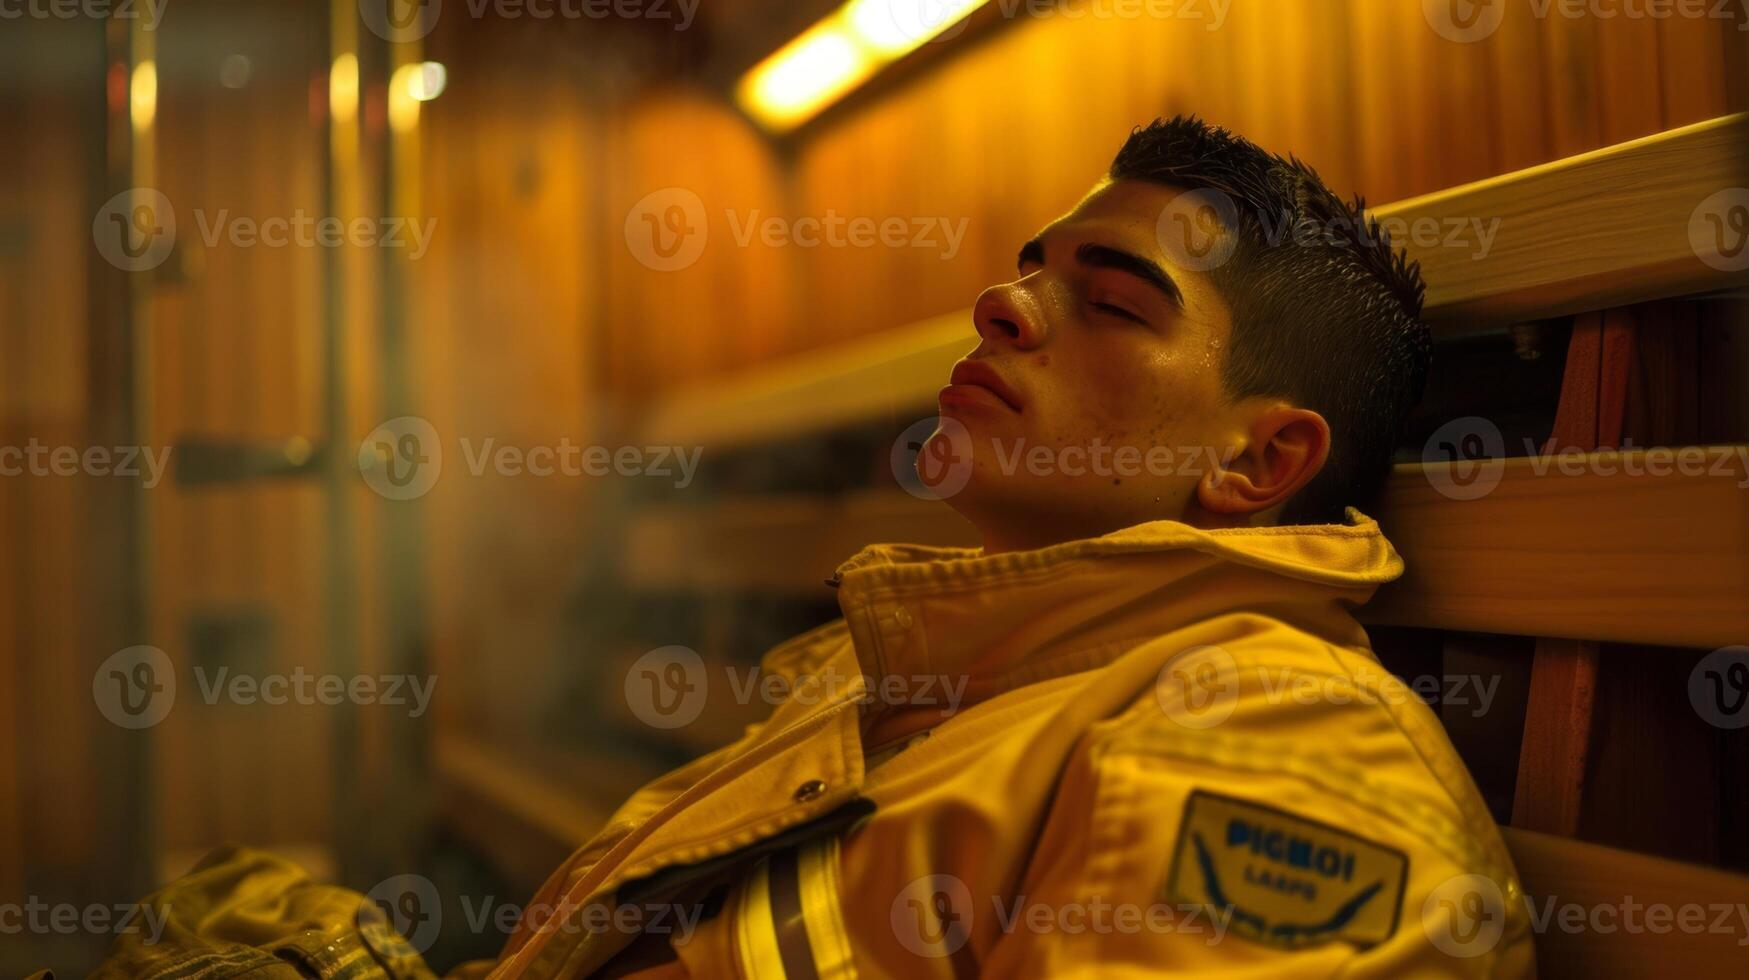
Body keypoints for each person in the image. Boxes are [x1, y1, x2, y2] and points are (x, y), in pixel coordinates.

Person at [89, 116, 1532, 979]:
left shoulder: (1278, 748)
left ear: (1256, 458)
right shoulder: (923, 682)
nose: (1002, 303)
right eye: (1030, 269)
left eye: (1111, 304)